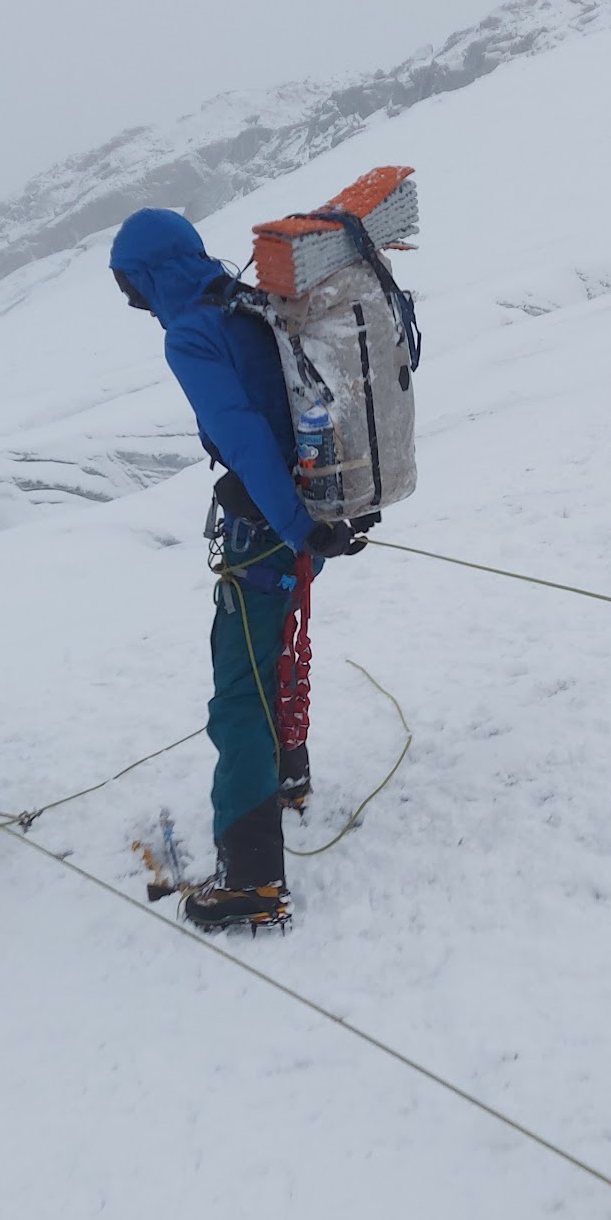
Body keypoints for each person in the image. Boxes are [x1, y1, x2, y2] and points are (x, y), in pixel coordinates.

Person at [108, 208, 365, 931]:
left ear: (151, 276)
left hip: (272, 521)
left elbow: (242, 432)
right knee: (272, 651)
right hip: (314, 496)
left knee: (238, 690)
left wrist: (295, 529)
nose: (132, 301)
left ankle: (252, 880)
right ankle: (288, 775)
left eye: (131, 285)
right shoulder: (247, 300)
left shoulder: (192, 334)